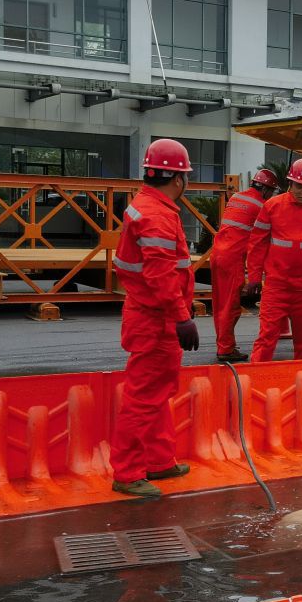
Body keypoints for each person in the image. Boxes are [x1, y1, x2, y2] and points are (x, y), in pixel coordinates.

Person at [110, 138, 200, 498]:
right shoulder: (159, 216)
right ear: (178, 179)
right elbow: (160, 274)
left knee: (157, 393)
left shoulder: (147, 205)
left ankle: (159, 460)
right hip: (157, 319)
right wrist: (182, 317)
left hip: (151, 315)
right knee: (143, 398)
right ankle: (128, 473)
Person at [246, 158, 302, 361]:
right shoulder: (272, 206)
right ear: (290, 184)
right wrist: (254, 277)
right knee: (266, 339)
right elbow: (257, 243)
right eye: (299, 186)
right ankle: (254, 378)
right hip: (276, 287)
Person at [209, 167, 278, 362]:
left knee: (220, 304)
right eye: (271, 192)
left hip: (217, 254)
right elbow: (266, 237)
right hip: (232, 259)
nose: (271, 196)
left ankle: (224, 343)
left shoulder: (236, 197)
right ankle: (225, 349)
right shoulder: (261, 206)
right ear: (265, 189)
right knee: (230, 306)